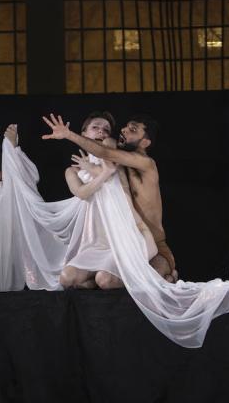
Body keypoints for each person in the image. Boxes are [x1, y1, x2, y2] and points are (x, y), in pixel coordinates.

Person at [42, 113, 178, 284]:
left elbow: (105, 154)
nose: (124, 130)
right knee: (76, 279)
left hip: (151, 244)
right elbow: (99, 172)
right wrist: (93, 168)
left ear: (145, 142)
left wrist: (69, 135)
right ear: (85, 132)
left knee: (149, 284)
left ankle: (168, 277)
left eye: (132, 130)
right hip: (111, 241)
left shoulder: (144, 163)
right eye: (95, 128)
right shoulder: (112, 160)